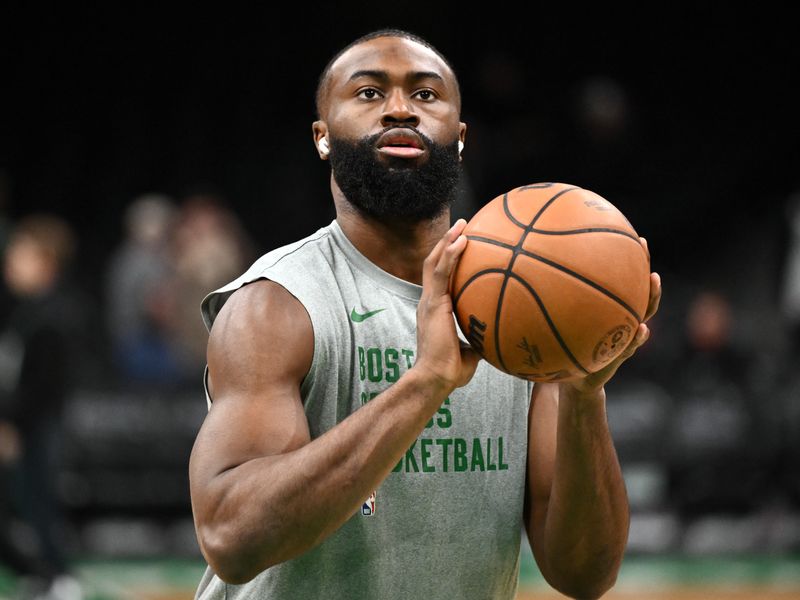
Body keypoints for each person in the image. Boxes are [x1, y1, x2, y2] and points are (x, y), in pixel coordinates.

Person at [189, 28, 661, 600]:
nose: (399, 109)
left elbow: (584, 574)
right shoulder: (277, 304)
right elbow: (232, 536)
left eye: (425, 94)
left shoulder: (525, 314)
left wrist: (585, 394)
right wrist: (426, 384)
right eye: (367, 93)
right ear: (323, 138)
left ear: (459, 139)